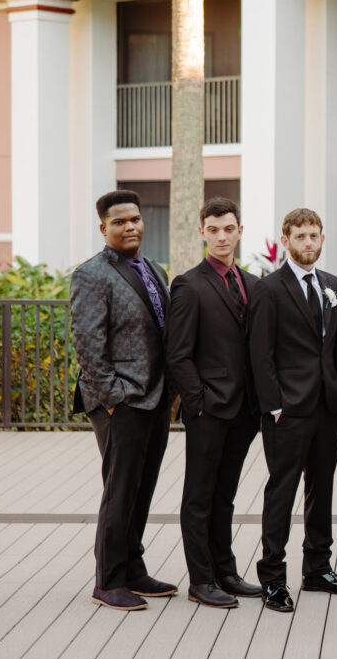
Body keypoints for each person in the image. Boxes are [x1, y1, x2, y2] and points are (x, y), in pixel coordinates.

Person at [70, 190, 176, 611]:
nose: (130, 226)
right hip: (121, 401)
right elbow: (88, 342)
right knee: (119, 490)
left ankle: (133, 568)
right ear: (104, 228)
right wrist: (113, 397)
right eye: (119, 222)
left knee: (142, 486)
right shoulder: (91, 274)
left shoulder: (153, 269)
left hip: (155, 397)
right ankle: (108, 580)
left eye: (135, 219)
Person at [249, 207, 337, 613]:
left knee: (322, 487)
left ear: (322, 239)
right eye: (301, 237)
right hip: (287, 410)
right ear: (287, 239)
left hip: (327, 405)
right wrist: (273, 405)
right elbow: (261, 353)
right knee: (282, 490)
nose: (309, 243)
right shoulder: (269, 289)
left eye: (315, 236)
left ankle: (318, 569)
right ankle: (273, 577)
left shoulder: (331, 284)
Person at [165, 197, 262, 608]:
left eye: (229, 229)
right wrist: (197, 402)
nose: (222, 236)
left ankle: (225, 571)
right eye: (214, 229)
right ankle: (200, 580)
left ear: (240, 231)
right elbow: (178, 353)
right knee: (199, 497)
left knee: (225, 496)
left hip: (245, 411)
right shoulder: (189, 284)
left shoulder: (254, 283)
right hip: (209, 409)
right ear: (202, 233)